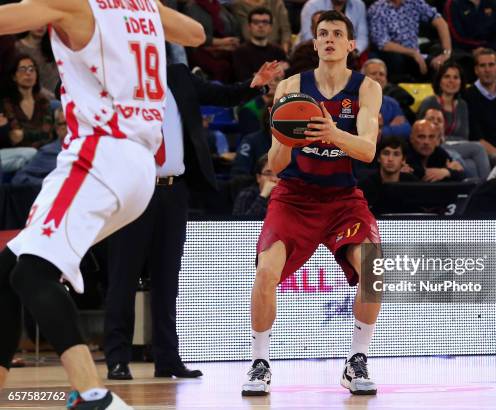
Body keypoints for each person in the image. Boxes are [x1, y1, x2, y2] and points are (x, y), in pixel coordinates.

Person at [0, 1, 204, 409]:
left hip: (99, 155)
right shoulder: (145, 5)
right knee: (7, 269)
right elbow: (196, 34)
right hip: (140, 169)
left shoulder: (72, 4)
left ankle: (93, 397)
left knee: (32, 274)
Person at [103, 61, 280, 381]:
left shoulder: (179, 74)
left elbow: (219, 94)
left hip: (173, 190)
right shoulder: (118, 74)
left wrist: (253, 82)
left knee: (167, 279)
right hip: (131, 190)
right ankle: (117, 359)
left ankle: (167, 359)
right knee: (123, 278)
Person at [241, 10, 382, 396]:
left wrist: (332, 132)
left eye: (338, 33)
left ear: (351, 44)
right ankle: (259, 363)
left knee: (374, 271)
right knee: (265, 273)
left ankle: (357, 360)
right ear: (315, 43)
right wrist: (291, 135)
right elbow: (275, 163)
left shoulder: (367, 88)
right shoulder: (290, 87)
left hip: (342, 198)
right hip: (295, 197)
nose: (331, 39)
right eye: (323, 34)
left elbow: (368, 151)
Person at [367, 0, 452, 82]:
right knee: (396, 59)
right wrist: (413, 53)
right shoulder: (377, 9)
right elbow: (383, 44)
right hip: (393, 55)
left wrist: (446, 53)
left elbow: (440, 22)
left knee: (441, 63)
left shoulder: (414, 2)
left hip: (416, 54)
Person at [358, 136, 417, 212]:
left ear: (403, 160)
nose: (390, 159)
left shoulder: (412, 184)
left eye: (396, 154)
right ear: (379, 158)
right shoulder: (365, 185)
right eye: (386, 153)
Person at [232, 8, 287, 81]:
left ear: (271, 27)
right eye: (256, 22)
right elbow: (244, 80)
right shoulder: (240, 52)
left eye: (265, 22)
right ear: (249, 27)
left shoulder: (278, 51)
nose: (260, 25)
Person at [299, 0, 368, 55]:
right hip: (314, 53)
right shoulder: (311, 5)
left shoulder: (359, 4)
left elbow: (362, 37)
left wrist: (353, 51)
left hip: (347, 53)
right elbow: (308, 36)